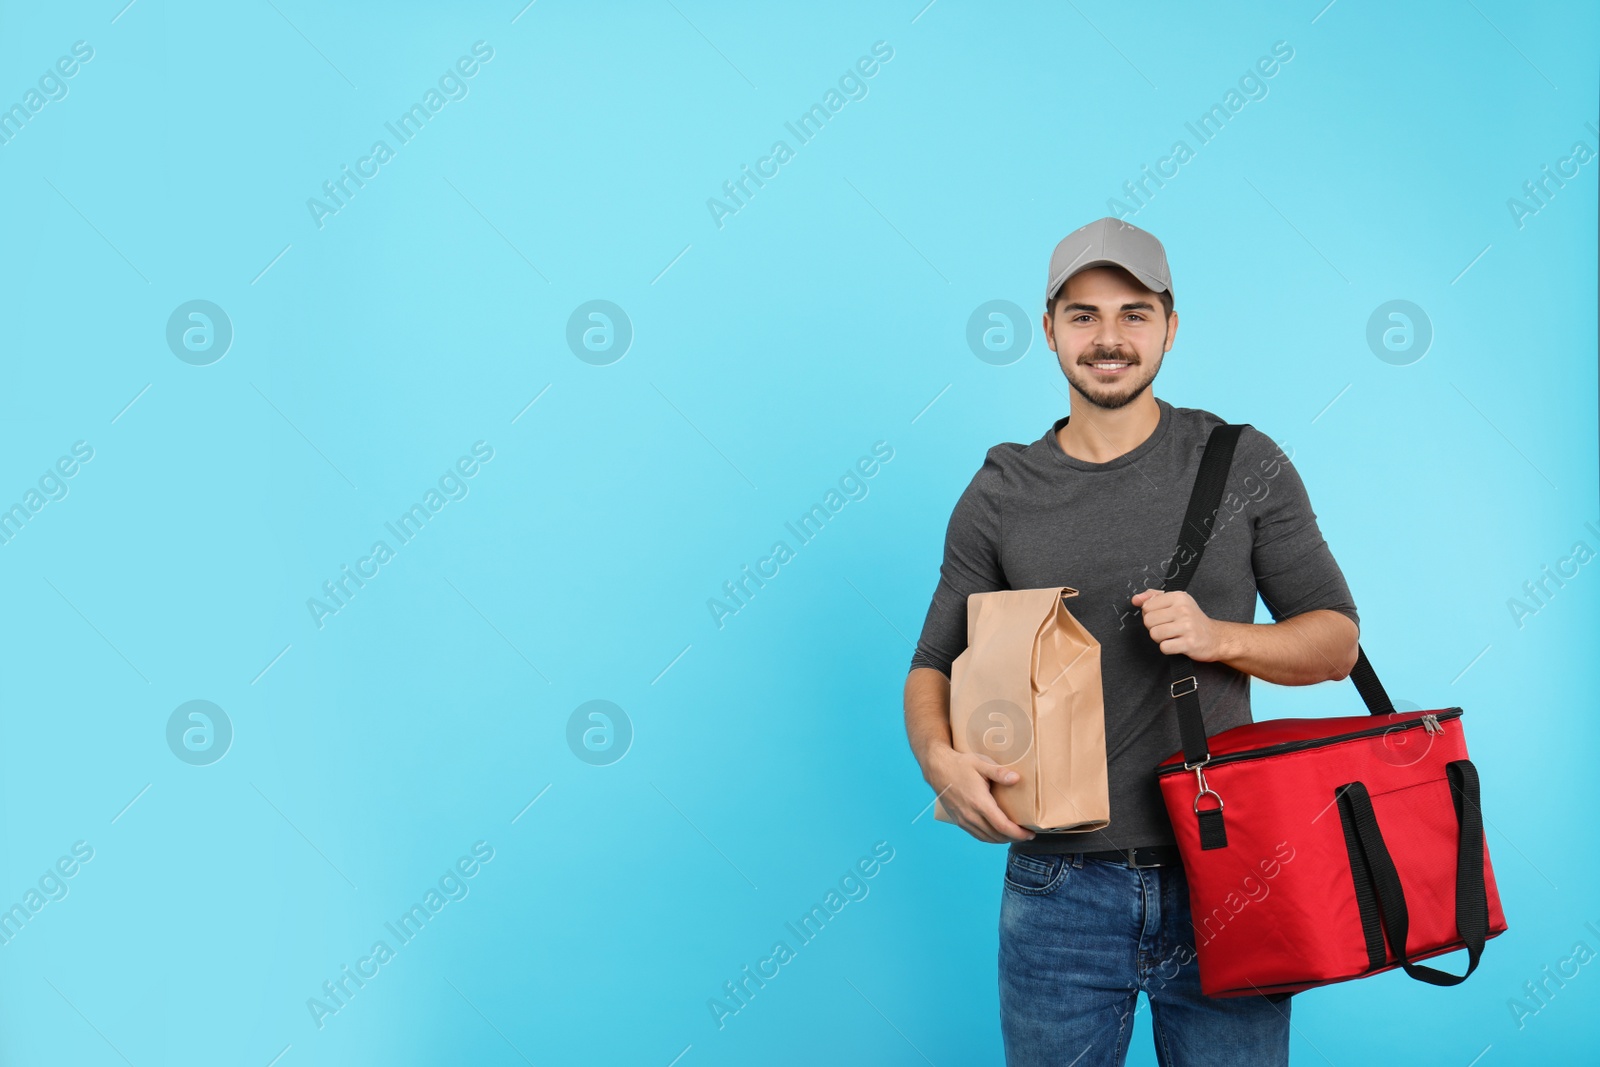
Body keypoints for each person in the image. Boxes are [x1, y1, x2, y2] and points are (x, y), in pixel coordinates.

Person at [902, 217, 1362, 1066]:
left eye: (1134, 314)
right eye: (1083, 315)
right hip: (1057, 891)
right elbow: (933, 664)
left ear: (1170, 325)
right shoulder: (1002, 489)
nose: (1108, 338)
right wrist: (940, 760)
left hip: (1228, 873)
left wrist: (1221, 636)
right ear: (1048, 329)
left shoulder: (1241, 460)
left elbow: (1334, 641)